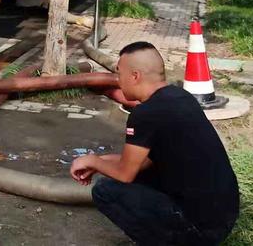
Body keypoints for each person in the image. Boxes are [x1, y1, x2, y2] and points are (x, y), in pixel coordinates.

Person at [70, 41, 239, 245]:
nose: (118, 80)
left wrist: (92, 161)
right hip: (223, 216)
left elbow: (125, 174)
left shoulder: (145, 114)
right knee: (138, 176)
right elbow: (145, 162)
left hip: (200, 230)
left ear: (135, 76)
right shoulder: (181, 97)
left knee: (105, 190)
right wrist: (98, 161)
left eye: (119, 74)